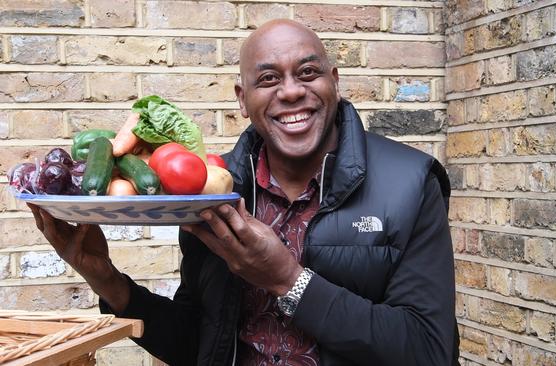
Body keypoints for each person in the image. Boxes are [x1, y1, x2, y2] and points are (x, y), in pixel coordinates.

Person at [28, 19, 458, 365]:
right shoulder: (210, 192)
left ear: (334, 80)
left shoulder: (411, 183)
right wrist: (108, 282)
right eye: (268, 78)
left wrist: (287, 280)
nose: (291, 91)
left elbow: (430, 349)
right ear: (242, 97)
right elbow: (197, 343)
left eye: (308, 73)